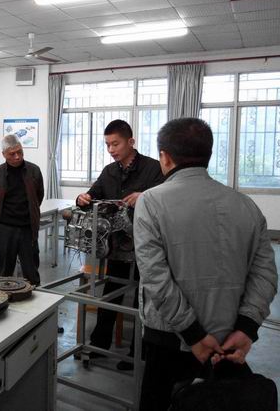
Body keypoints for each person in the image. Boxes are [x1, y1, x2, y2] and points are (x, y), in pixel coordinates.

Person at [134, 117, 278, 410]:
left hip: (170, 339)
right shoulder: (246, 205)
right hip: (229, 342)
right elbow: (265, 274)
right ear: (208, 154)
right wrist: (247, 327)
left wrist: (194, 335)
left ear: (165, 157)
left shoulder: (150, 202)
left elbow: (155, 278)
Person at [75, 120, 163, 370]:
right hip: (117, 246)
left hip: (147, 247)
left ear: (130, 142)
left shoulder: (153, 169)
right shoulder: (109, 172)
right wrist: (83, 198)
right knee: (111, 294)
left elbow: (168, 197)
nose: (111, 149)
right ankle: (99, 346)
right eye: (107, 145)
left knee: (141, 300)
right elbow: (93, 194)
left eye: (115, 144)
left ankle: (138, 354)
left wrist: (145, 196)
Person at [0, 134, 44, 286]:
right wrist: (2, 219)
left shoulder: (34, 171)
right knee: (5, 272)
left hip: (28, 228)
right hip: (5, 230)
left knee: (31, 271)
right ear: (4, 154)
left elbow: (38, 197)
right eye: (12, 154)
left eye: (20, 152)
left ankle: (33, 296)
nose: (17, 157)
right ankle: (5, 297)